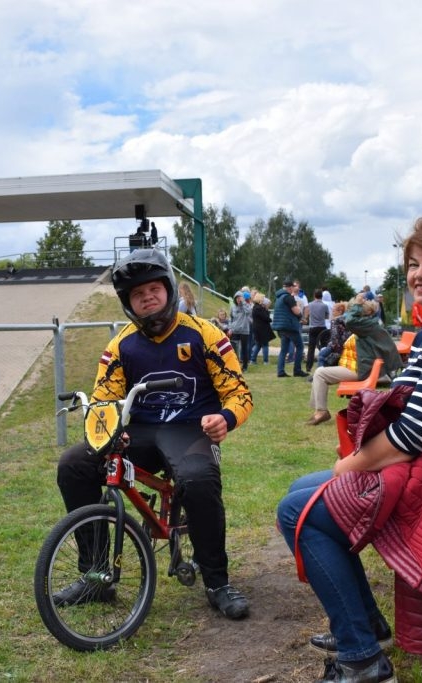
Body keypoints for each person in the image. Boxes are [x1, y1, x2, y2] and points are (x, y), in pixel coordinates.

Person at [277, 216, 422, 681]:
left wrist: (350, 464)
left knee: (297, 514)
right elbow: (405, 410)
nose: (420, 274)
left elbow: (412, 434)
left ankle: (361, 658)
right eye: (413, 264)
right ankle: (367, 626)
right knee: (303, 489)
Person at [55, 249, 254, 619]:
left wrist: (225, 418)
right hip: (139, 432)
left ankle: (216, 581)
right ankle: (96, 574)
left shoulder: (205, 334)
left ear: (169, 288)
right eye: (136, 293)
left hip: (191, 429)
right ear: (128, 303)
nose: (146, 297)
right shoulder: (120, 346)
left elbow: (238, 393)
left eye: (153, 289)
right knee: (74, 465)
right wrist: (110, 431)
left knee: (197, 479)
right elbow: (103, 400)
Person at [304, 295, 403, 426]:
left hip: (358, 370)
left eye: (353, 310)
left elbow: (349, 321)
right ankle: (319, 410)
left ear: (361, 312)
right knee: (320, 372)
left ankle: (321, 411)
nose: (349, 312)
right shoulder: (366, 325)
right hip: (354, 367)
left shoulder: (366, 325)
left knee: (320, 373)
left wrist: (356, 304)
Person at [272, 280, 308, 378]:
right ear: (290, 287)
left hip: (281, 327)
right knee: (300, 347)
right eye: (293, 287)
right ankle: (297, 370)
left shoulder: (279, 297)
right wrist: (301, 316)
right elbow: (296, 311)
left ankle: (280, 371)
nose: (293, 289)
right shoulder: (288, 297)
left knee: (284, 350)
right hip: (290, 326)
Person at [305, 289, 330, 373]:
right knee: (323, 347)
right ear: (321, 296)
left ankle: (308, 366)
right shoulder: (324, 306)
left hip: (313, 327)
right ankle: (324, 364)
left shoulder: (310, 305)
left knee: (311, 348)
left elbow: (307, 315)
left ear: (314, 295)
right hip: (322, 328)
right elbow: (326, 317)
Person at [229, 290, 252, 371]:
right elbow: (231, 319)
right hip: (235, 330)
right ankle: (235, 365)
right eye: (237, 298)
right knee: (234, 349)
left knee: (244, 349)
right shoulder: (233, 307)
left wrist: (244, 302)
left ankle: (245, 366)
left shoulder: (246, 306)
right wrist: (230, 328)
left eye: (240, 297)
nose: (238, 299)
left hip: (244, 331)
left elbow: (249, 312)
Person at [250, 293, 274, 365]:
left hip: (257, 328)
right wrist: (267, 310)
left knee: (258, 344)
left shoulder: (255, 307)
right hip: (262, 329)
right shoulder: (259, 308)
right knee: (265, 345)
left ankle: (253, 359)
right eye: (263, 299)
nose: (264, 300)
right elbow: (267, 318)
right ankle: (265, 361)